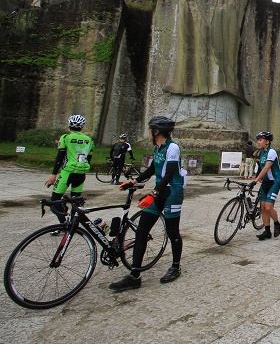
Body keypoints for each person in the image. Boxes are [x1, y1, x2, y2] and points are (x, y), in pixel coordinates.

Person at [109, 116, 187, 291]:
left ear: (156, 131)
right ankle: (134, 275)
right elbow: (152, 170)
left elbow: (170, 173)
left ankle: (175, 266)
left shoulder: (172, 147)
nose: (149, 133)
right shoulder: (158, 148)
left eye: (150, 130)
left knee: (172, 230)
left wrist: (153, 193)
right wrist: (134, 181)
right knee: (142, 230)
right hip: (160, 191)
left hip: (172, 192)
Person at [44, 115, 94, 225]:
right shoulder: (89, 140)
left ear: (69, 125)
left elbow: (60, 157)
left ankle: (63, 224)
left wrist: (53, 174)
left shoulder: (66, 137)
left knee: (54, 200)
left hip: (68, 172)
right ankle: (72, 225)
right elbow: (89, 158)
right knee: (76, 202)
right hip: (81, 173)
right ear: (82, 127)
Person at [251, 131, 280, 240]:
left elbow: (266, 168)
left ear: (267, 142)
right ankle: (267, 231)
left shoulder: (272, 152)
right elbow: (260, 166)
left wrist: (255, 180)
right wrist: (257, 177)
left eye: (260, 140)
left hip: (274, 182)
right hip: (265, 182)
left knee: (268, 207)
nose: (258, 142)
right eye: (258, 140)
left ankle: (277, 223)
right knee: (263, 208)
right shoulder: (261, 153)